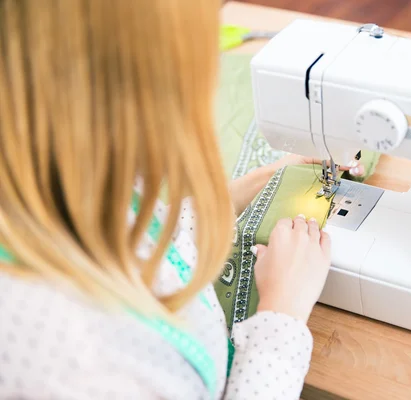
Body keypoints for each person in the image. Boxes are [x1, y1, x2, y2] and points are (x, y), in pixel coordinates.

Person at [0, 1, 364, 399]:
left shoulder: (63, 174)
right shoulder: (82, 366)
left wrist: (255, 185)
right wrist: (281, 315)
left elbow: (141, 230)